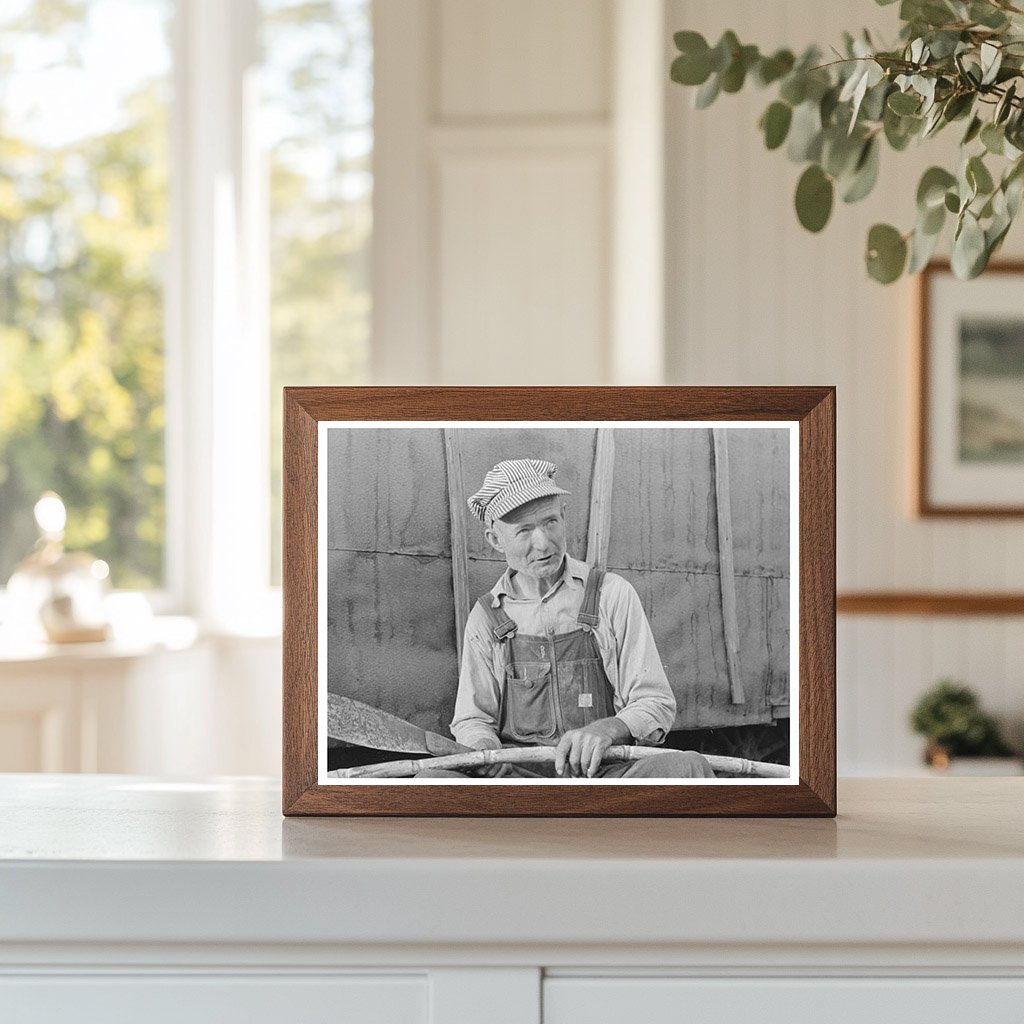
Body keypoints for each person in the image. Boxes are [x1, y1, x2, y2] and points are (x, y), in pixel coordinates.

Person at [421, 458, 714, 780]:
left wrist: (607, 729)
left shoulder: (610, 594)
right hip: (520, 781)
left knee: (687, 767)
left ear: (564, 516)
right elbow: (472, 719)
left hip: (606, 774)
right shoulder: (487, 616)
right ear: (495, 540)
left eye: (550, 522)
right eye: (524, 531)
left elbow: (654, 702)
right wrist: (483, 748)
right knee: (430, 782)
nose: (543, 543)